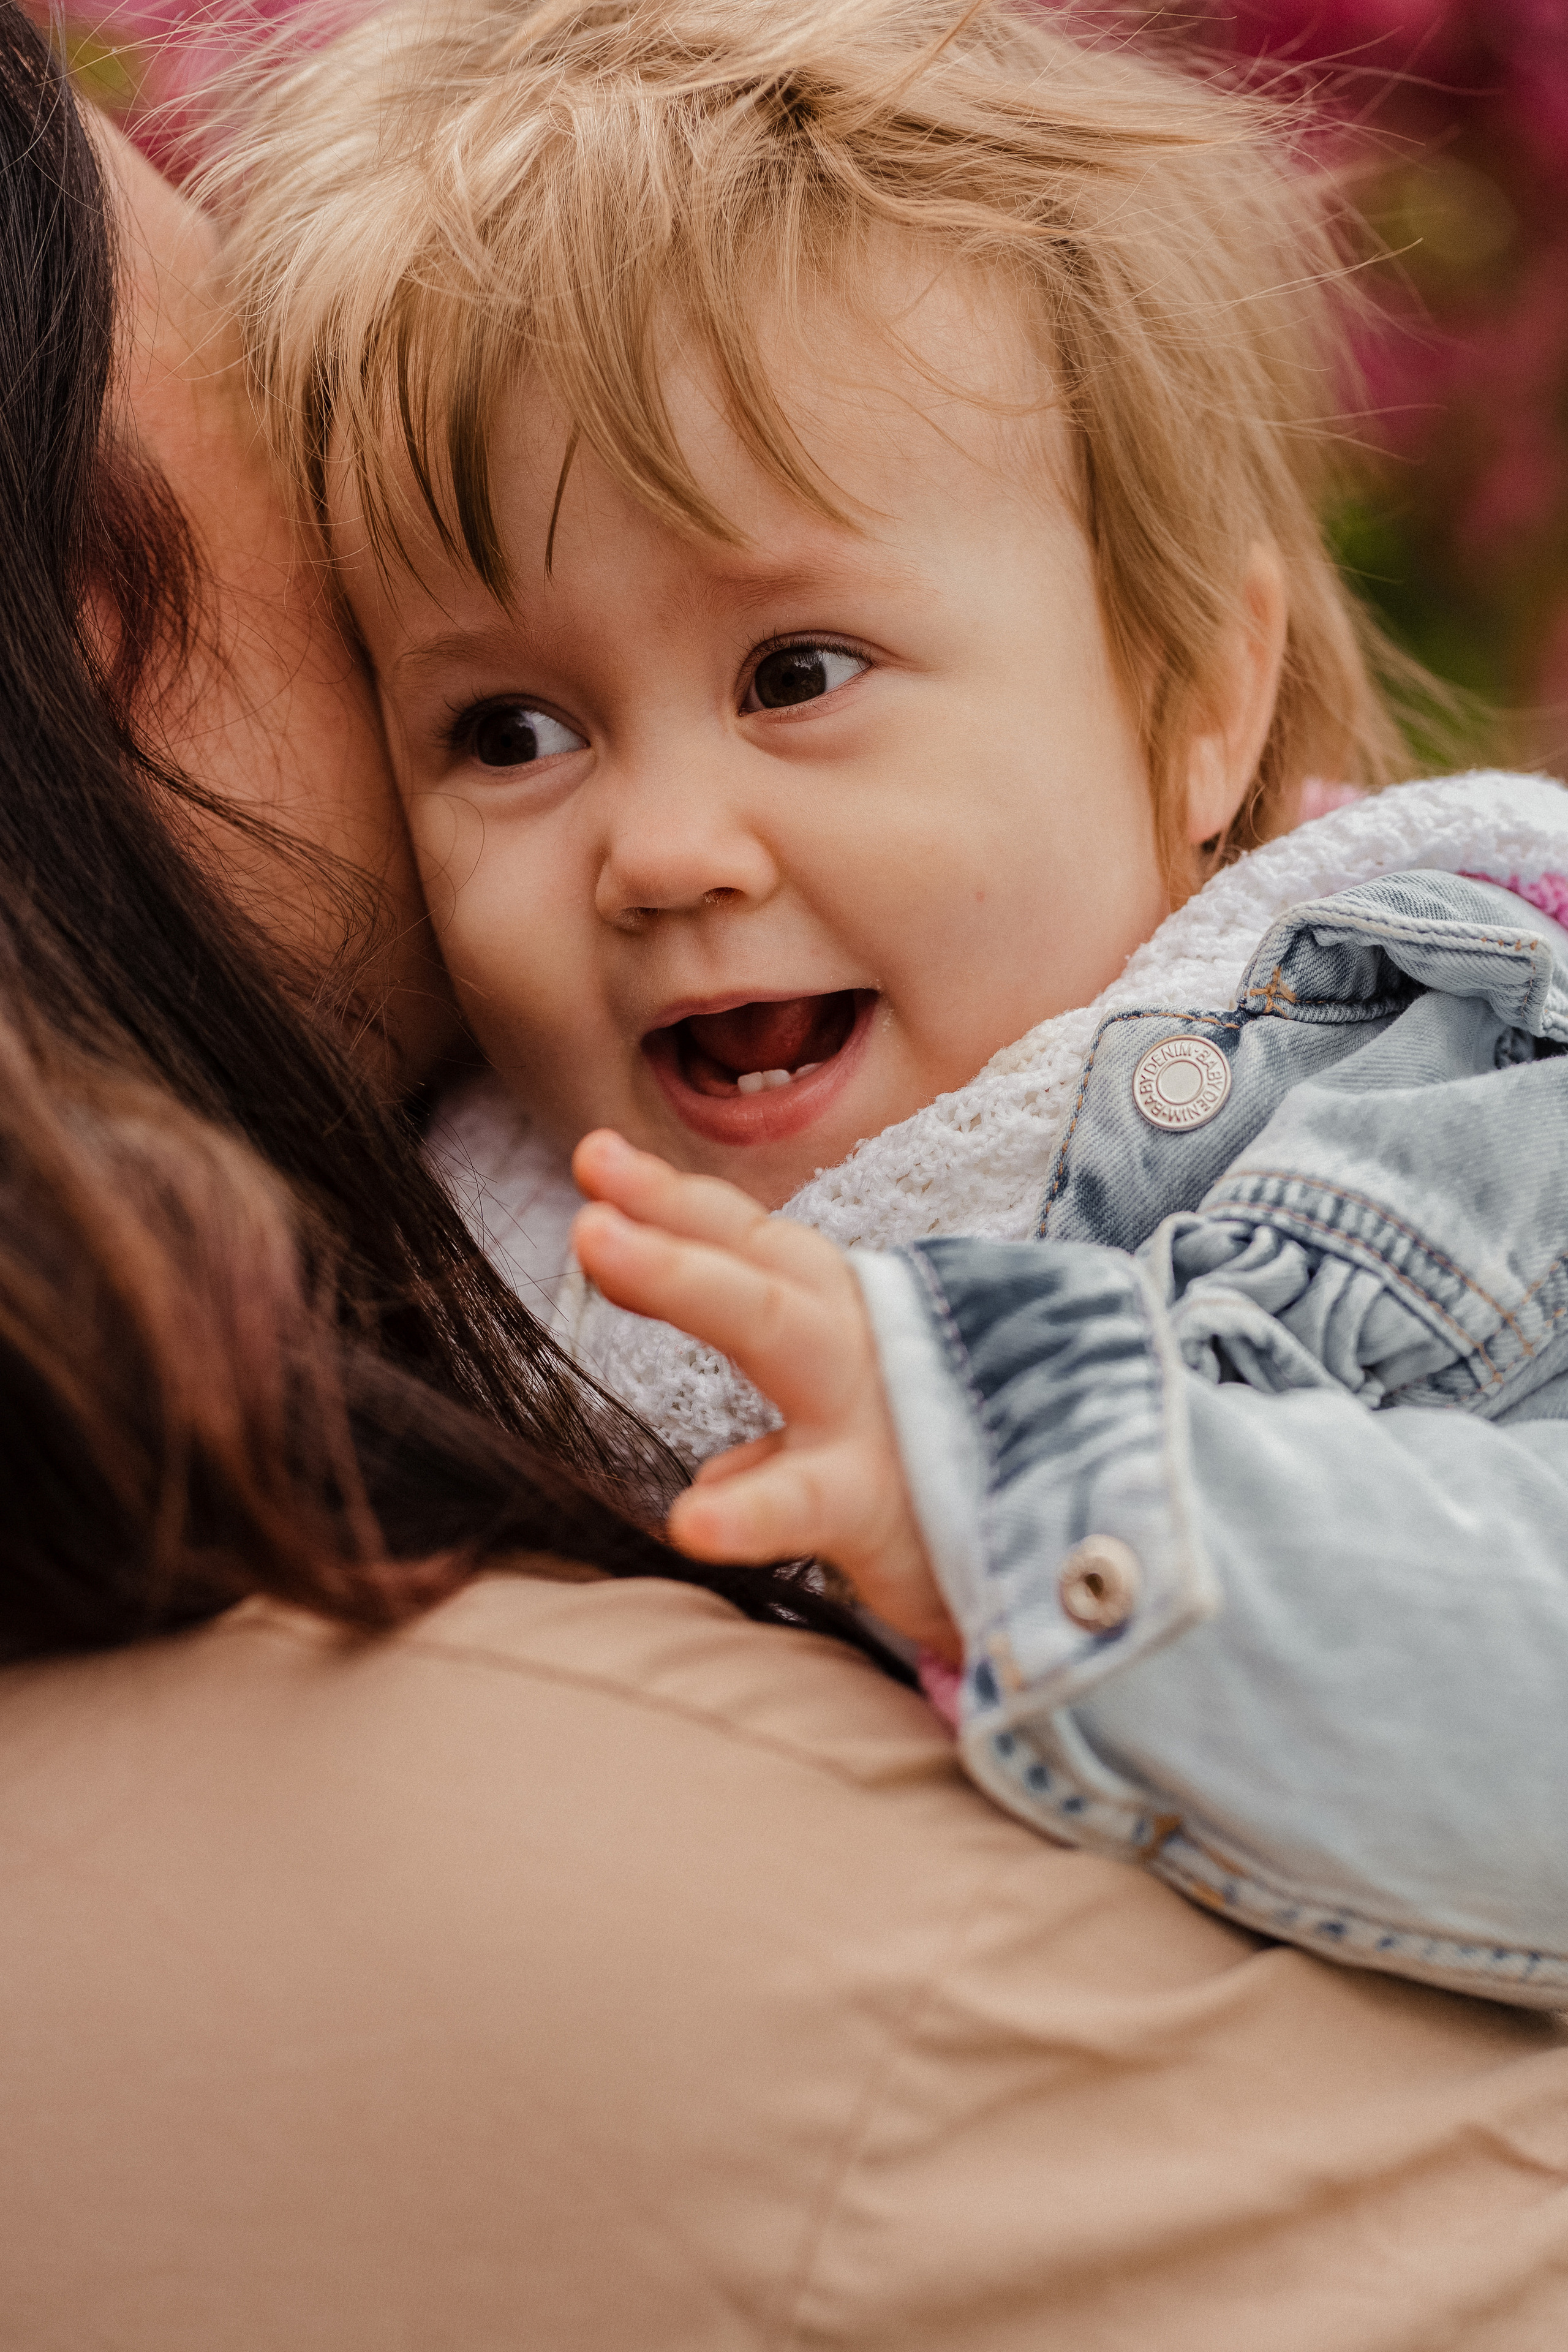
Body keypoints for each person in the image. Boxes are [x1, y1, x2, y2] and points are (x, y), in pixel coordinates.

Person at [4, 10, 1568, 2345]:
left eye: (801, 670)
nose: (660, 847)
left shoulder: (1394, 1096)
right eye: (505, 729)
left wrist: (1037, 1494)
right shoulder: (467, 1211)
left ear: (1197, 686)